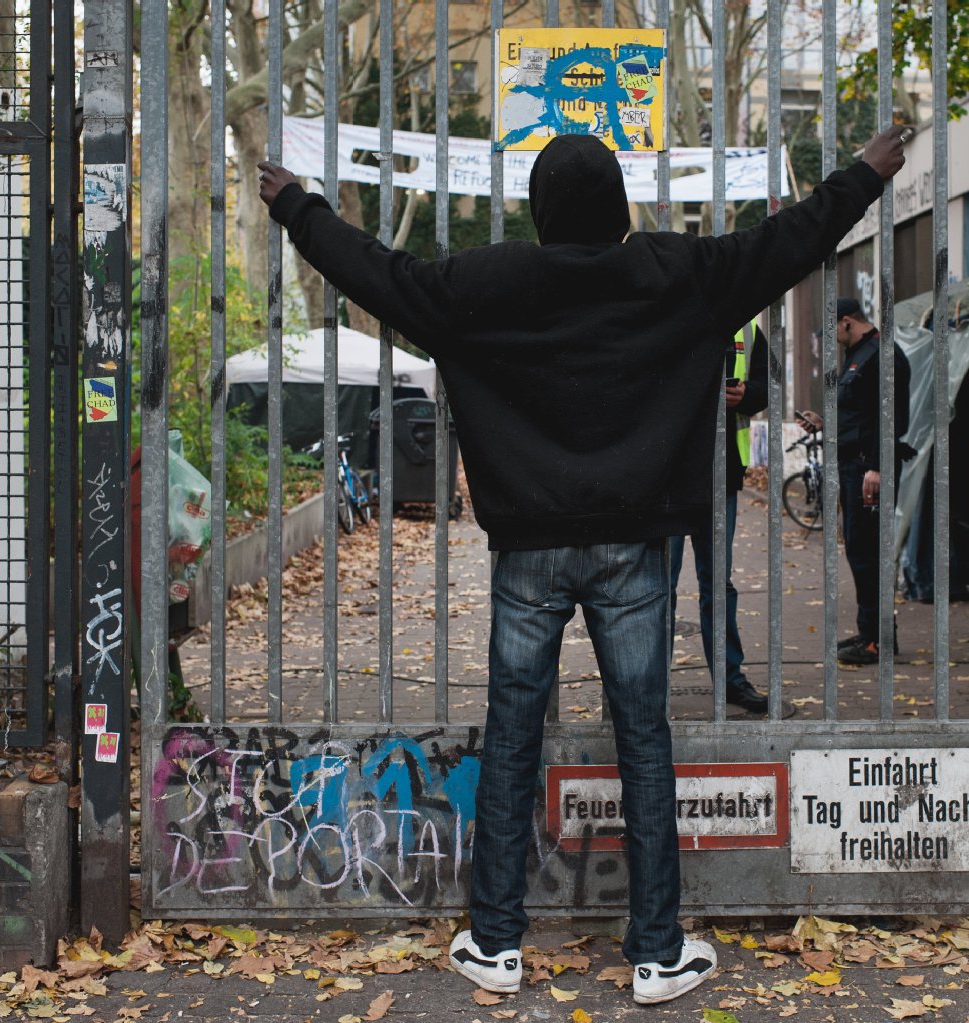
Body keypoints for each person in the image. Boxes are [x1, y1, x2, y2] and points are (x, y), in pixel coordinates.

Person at [258, 126, 906, 1005]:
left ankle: (494, 941)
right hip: (634, 545)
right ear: (618, 207)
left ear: (538, 212)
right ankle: (655, 951)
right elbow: (786, 241)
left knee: (513, 733)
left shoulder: (484, 283)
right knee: (643, 736)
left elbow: (374, 270)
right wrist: (863, 174)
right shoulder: (676, 272)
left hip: (526, 546)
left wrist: (296, 205)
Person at [669, 317, 777, 715]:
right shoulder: (667, 312)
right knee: (659, 585)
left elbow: (766, 387)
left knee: (718, 583)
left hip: (721, 474)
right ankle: (650, 685)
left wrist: (746, 395)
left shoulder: (746, 329)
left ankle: (731, 680)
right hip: (669, 475)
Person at [799, 297, 912, 665]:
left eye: (832, 329)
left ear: (846, 321)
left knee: (868, 553)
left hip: (868, 469)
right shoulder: (859, 355)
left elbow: (891, 418)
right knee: (860, 551)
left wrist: (878, 468)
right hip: (854, 467)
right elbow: (859, 415)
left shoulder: (881, 354)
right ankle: (871, 633)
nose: (830, 338)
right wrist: (822, 422)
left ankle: (877, 641)